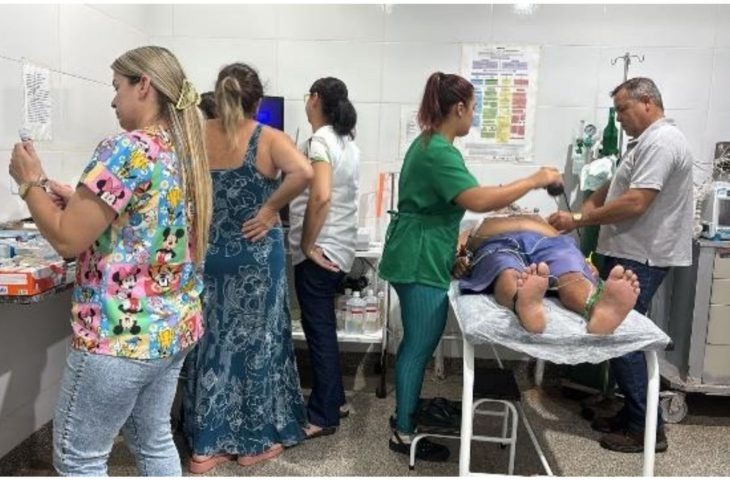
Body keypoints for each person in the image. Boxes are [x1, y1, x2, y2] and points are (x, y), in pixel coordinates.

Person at [8, 45, 212, 476]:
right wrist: (80, 200)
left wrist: (29, 184)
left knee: (79, 457)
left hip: (120, 337)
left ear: (144, 85)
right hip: (172, 329)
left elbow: (67, 239)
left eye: (117, 87)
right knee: (153, 440)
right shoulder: (183, 151)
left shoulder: (126, 148)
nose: (113, 100)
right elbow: (147, 218)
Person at [377, 71, 563, 461]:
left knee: (417, 344)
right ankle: (403, 432)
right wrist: (534, 179)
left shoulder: (432, 144)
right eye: (473, 108)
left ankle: (407, 415)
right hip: (418, 257)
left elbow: (456, 203)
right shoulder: (438, 151)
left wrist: (457, 255)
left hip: (422, 251)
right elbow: (478, 199)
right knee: (418, 346)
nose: (474, 115)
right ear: (459, 108)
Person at [548, 77, 694, 453]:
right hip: (626, 250)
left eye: (622, 109)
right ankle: (631, 413)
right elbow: (613, 187)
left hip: (641, 255)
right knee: (612, 331)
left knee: (622, 336)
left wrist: (579, 218)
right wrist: (583, 211)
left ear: (647, 102)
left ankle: (646, 430)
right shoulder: (642, 144)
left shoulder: (662, 142)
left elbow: (635, 202)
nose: (619, 118)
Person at [182, 62, 313, 473]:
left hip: (208, 255)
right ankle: (252, 444)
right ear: (256, 101)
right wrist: (270, 208)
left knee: (210, 343)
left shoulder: (197, 135)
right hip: (255, 258)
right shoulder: (267, 137)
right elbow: (304, 172)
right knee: (257, 345)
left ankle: (205, 447)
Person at [288, 77, 360, 439]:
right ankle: (336, 400)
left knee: (318, 332)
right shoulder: (347, 141)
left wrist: (306, 244)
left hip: (321, 250)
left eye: (307, 96)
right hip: (340, 246)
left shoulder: (319, 141)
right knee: (325, 328)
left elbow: (321, 196)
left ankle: (322, 416)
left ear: (314, 99)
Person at [453, 210, 640, 335]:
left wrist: (584, 264)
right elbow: (455, 250)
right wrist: (457, 262)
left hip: (550, 242)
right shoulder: (480, 224)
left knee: (571, 270)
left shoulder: (539, 219)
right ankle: (524, 303)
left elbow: (568, 248)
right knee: (505, 268)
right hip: (497, 243)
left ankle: (598, 310)